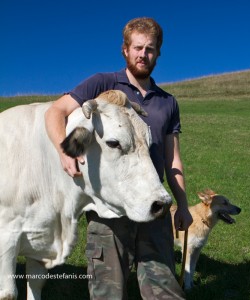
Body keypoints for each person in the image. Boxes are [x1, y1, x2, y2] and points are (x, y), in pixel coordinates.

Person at [45, 17, 193, 300]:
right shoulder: (102, 83)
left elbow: (172, 159)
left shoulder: (167, 102)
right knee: (107, 294)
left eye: (150, 49)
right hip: (108, 213)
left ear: (158, 53)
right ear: (125, 50)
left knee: (165, 292)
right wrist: (64, 151)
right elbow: (56, 112)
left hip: (153, 206)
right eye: (137, 47)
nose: (143, 54)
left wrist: (183, 206)